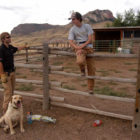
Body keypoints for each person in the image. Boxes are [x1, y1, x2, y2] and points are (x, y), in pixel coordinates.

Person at [0, 32, 28, 114]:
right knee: (8, 94)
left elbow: (17, 49)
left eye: (10, 37)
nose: (9, 38)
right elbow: (0, 63)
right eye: (7, 37)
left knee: (12, 93)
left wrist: (24, 46)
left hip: (12, 73)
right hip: (5, 74)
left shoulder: (10, 47)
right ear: (3, 40)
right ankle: (4, 115)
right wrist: (2, 75)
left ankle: (10, 111)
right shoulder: (1, 49)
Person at [68, 12, 96, 94]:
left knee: (91, 69)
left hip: (88, 47)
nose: (72, 21)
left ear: (79, 19)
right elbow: (70, 41)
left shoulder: (87, 26)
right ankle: (82, 70)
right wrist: (77, 48)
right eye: (71, 19)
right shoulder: (72, 29)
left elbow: (90, 39)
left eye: (73, 19)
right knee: (80, 61)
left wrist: (81, 46)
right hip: (79, 48)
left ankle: (90, 88)